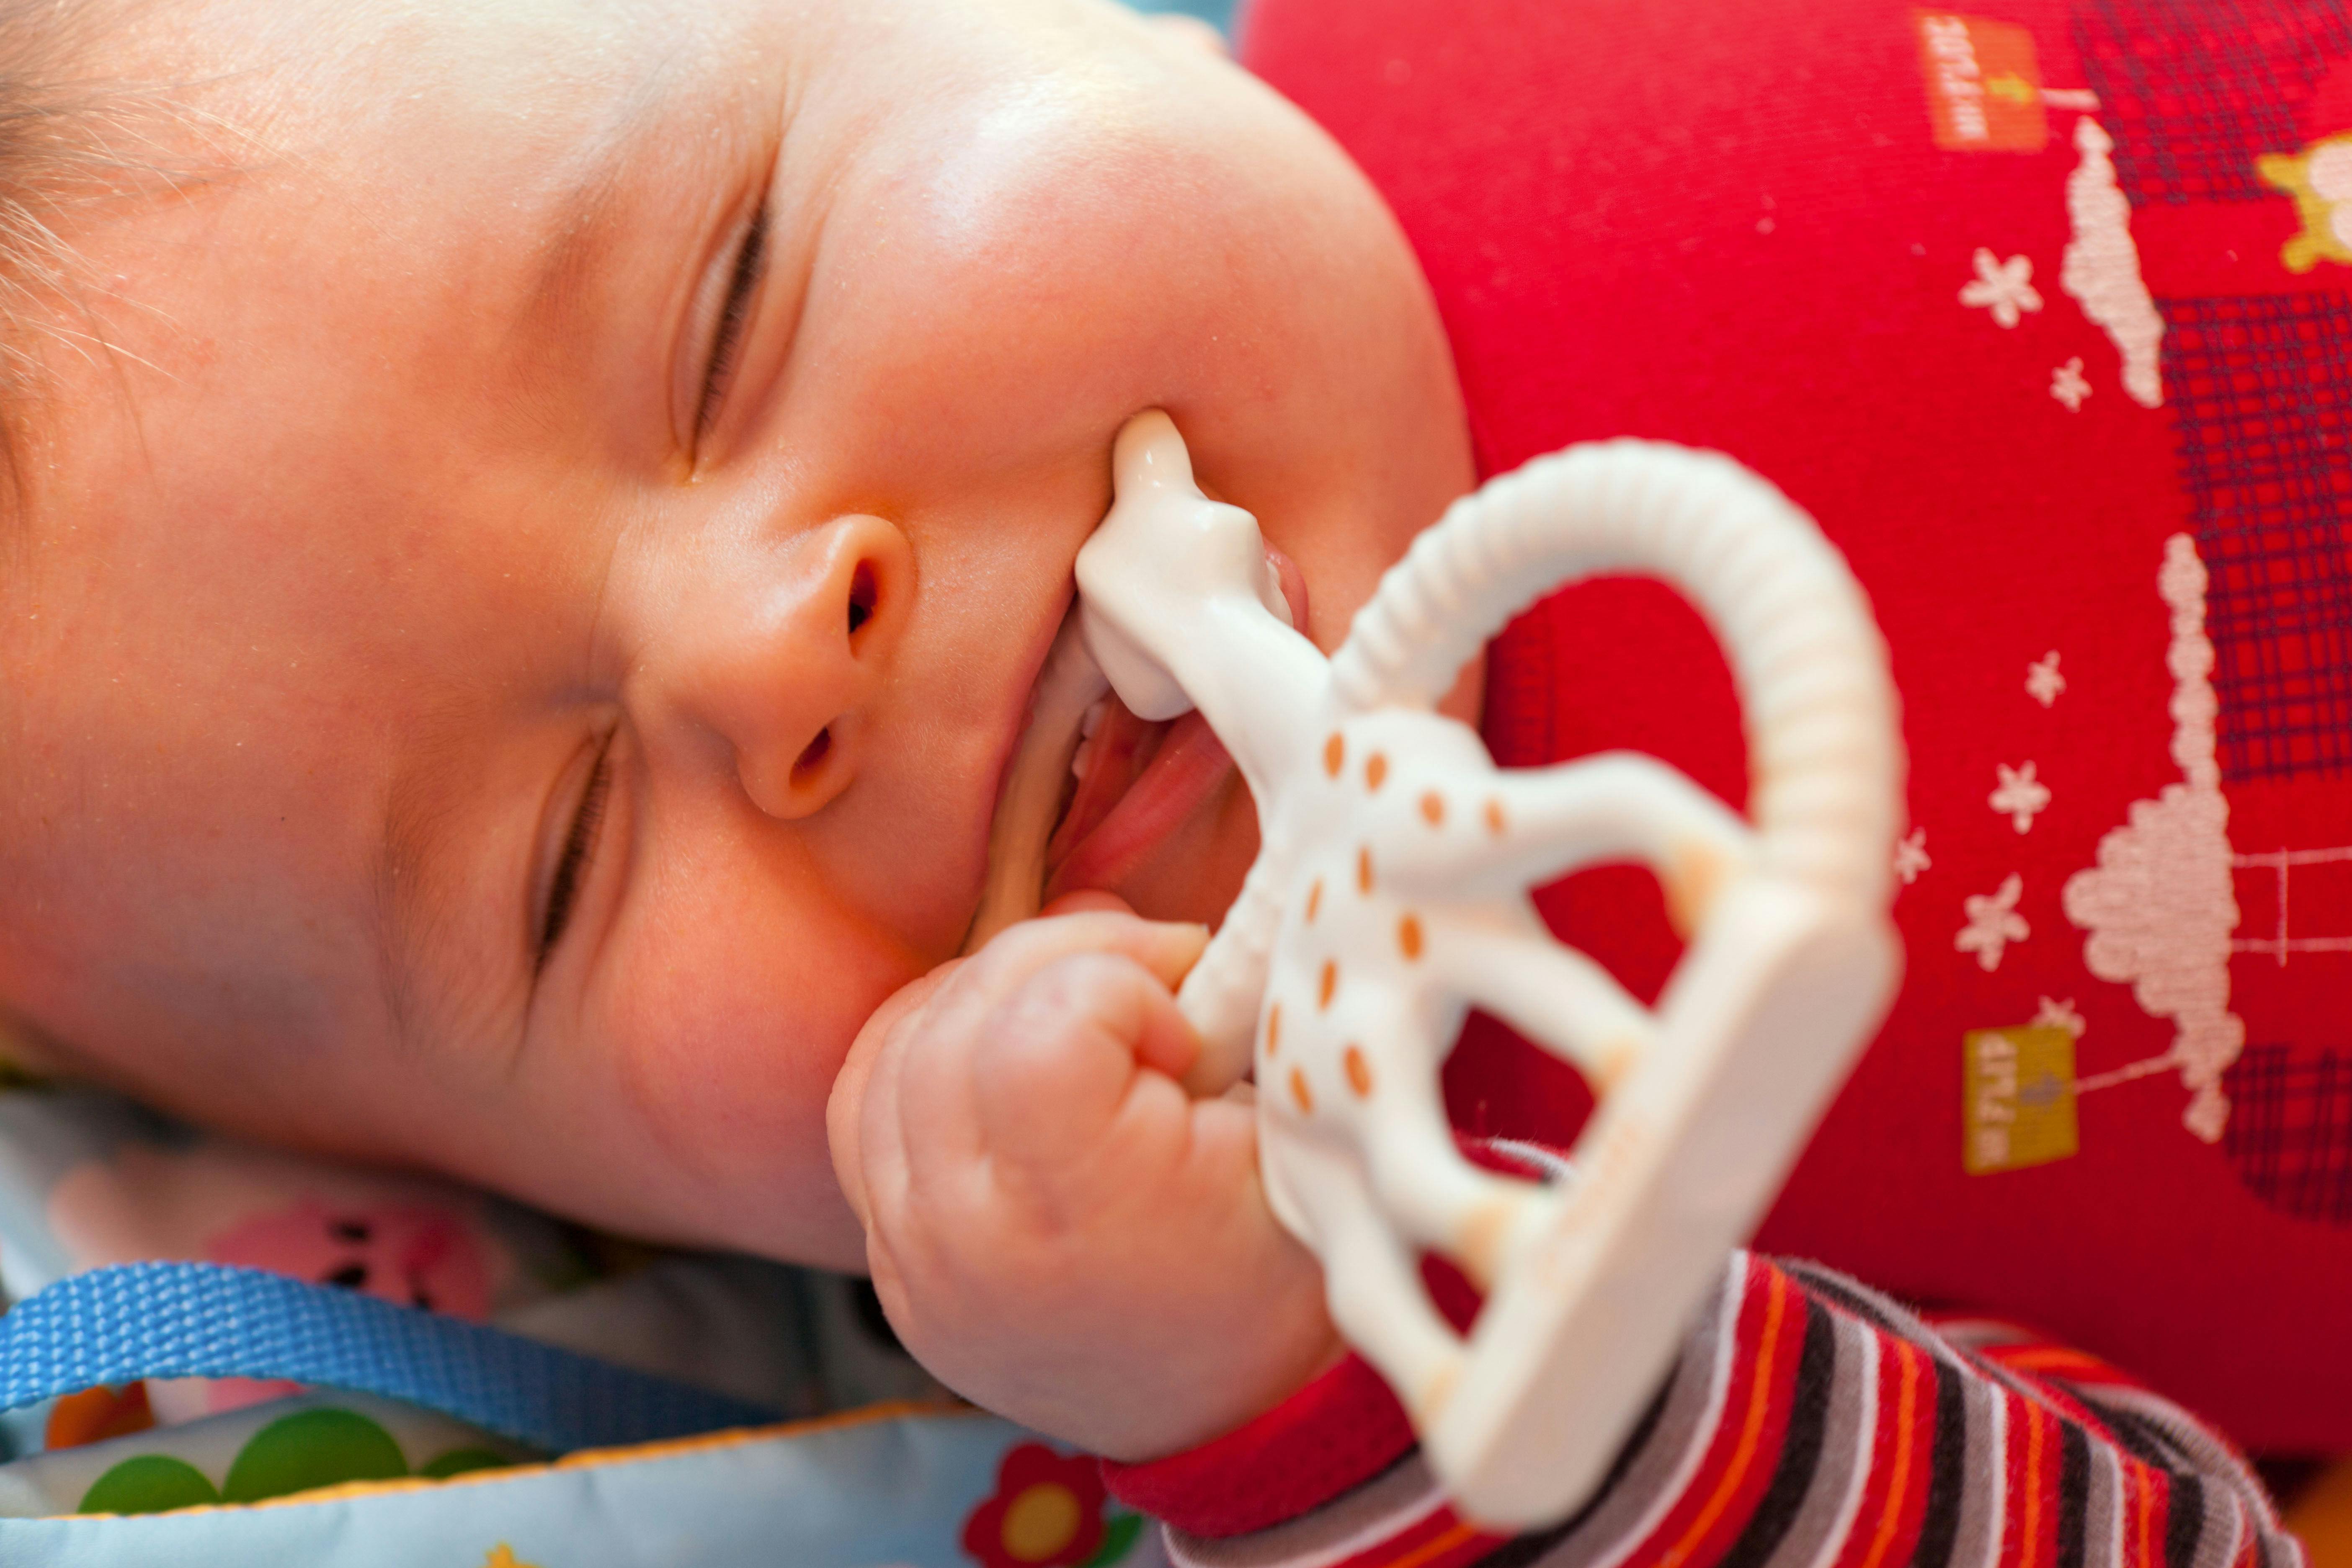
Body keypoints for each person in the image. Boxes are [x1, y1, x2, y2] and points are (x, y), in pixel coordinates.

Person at [0, 0, 2312, 1559]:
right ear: (574, 1200)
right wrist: (1315, 1389)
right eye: (562, 869)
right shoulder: (1403, 1262)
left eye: (729, 301)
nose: (769, 648)